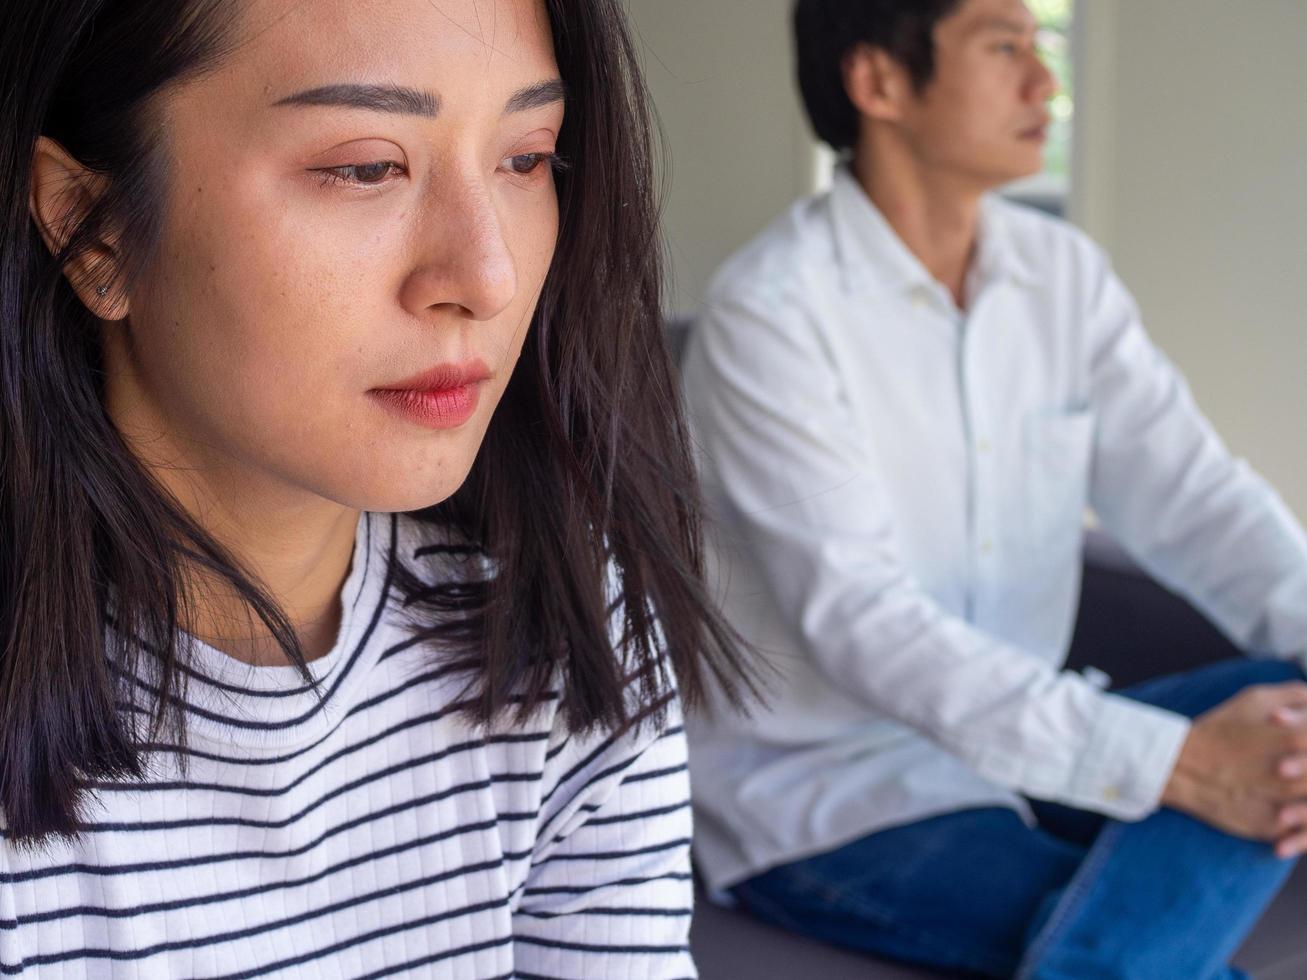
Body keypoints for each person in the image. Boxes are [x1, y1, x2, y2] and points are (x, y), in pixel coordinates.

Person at [0, 0, 754, 976]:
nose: (483, 274)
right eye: (363, 165)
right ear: (91, 228)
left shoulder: (563, 622)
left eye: (525, 158)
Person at [680, 0, 1307, 976]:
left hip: (1019, 739)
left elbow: (1194, 497)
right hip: (826, 793)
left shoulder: (1061, 276)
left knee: (1290, 709)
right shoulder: (768, 316)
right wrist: (1174, 764)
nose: (1043, 82)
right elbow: (865, 623)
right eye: (1004, 45)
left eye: (1041, 46)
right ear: (878, 81)